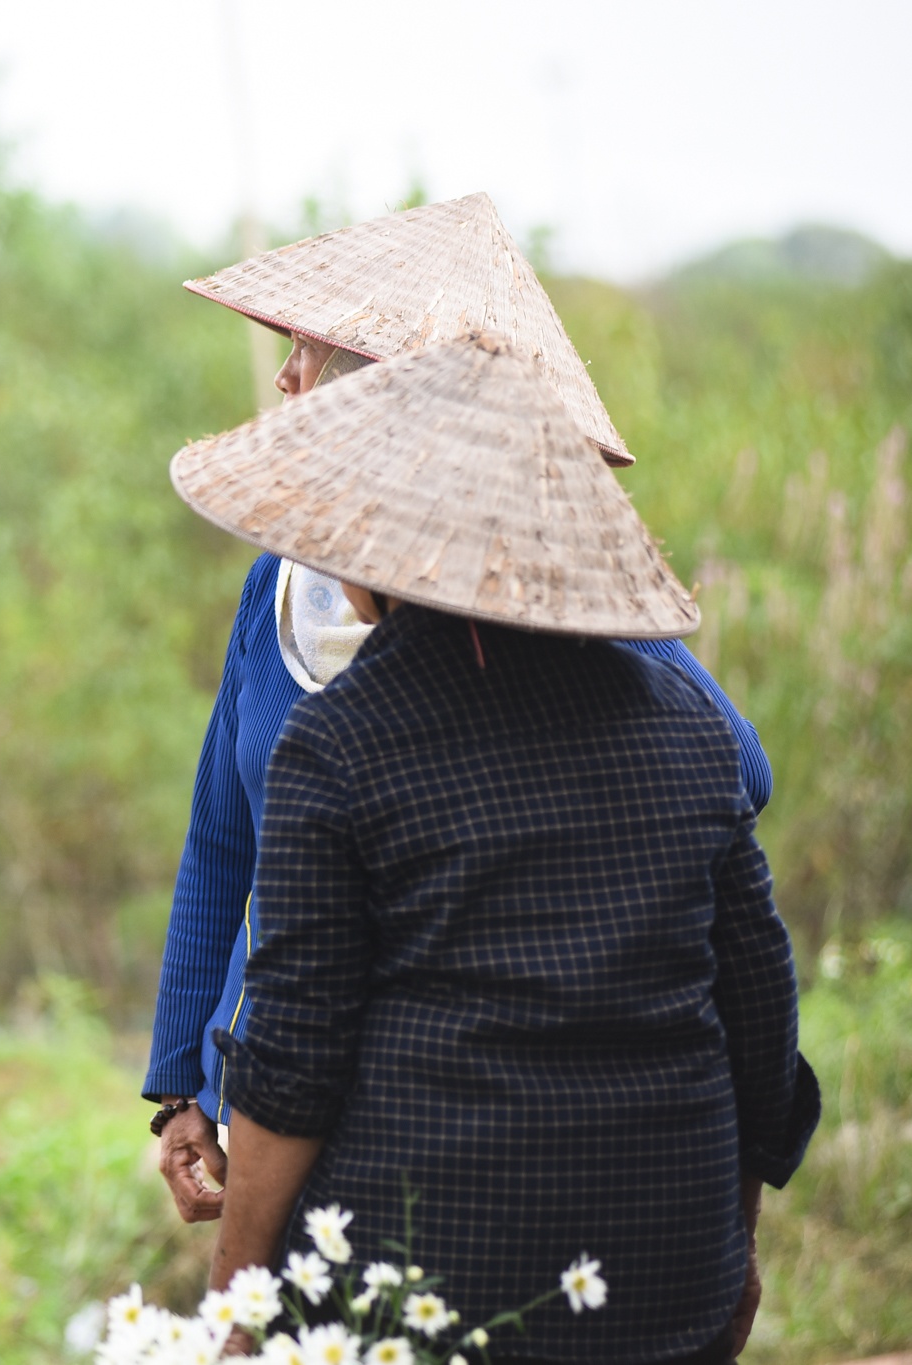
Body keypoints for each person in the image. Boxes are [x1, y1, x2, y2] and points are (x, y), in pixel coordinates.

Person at [174, 331, 816, 1363]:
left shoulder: (338, 746)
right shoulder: (688, 725)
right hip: (671, 1292)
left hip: (427, 1296)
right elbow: (760, 1023)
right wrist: (727, 1245)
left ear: (379, 545)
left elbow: (290, 1066)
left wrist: (236, 1311)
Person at [142, 194, 774, 1224]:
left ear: (395, 404)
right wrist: (181, 1087)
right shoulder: (278, 588)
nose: (286, 377)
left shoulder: (540, 605)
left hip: (438, 1116)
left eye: (309, 353)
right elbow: (222, 837)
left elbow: (736, 771)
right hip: (269, 1084)